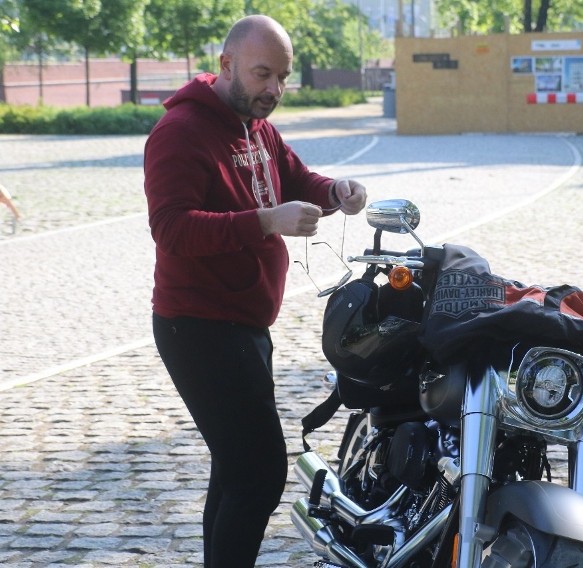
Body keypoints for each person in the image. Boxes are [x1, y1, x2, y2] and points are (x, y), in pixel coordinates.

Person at [143, 14, 367, 567]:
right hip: (197, 325)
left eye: (283, 77)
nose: (274, 89)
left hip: (246, 323)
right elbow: (172, 229)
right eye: (263, 73)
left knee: (234, 468)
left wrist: (335, 190)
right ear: (226, 65)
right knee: (260, 473)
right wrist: (266, 221)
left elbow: (294, 178)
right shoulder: (179, 133)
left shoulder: (259, 127)